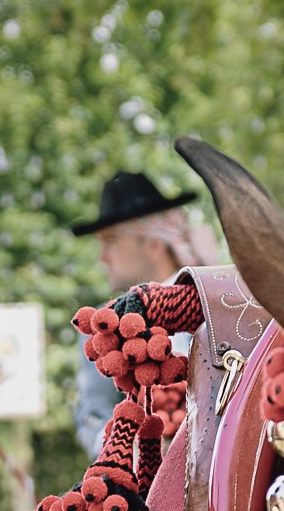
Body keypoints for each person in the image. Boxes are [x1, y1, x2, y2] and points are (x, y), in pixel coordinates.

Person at [69, 169, 204, 458]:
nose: (102, 256)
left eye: (111, 241)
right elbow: (92, 413)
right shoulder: (103, 328)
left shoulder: (217, 304)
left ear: (153, 243)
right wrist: (126, 449)